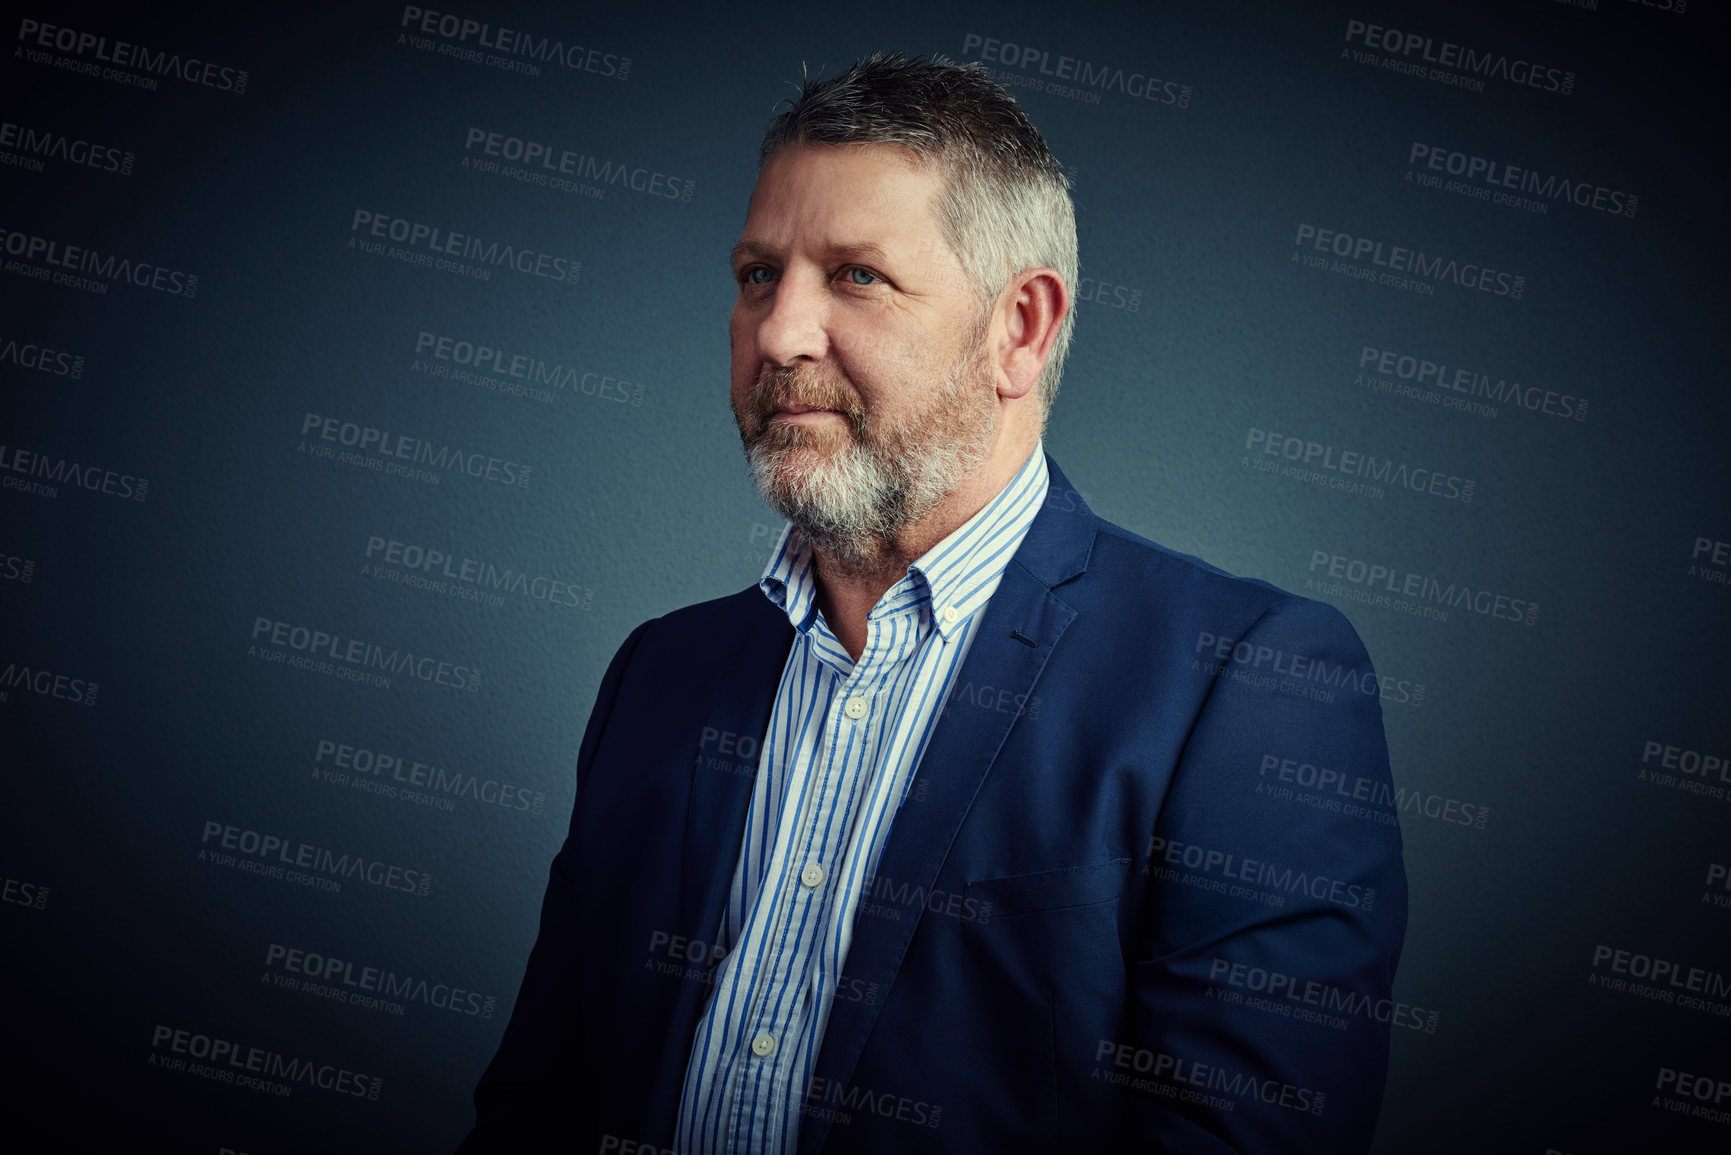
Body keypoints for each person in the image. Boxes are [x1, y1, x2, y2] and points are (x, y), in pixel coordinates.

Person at [457, 53, 1406, 1155]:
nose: (778, 334)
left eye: (855, 276)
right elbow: (537, 1111)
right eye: (759, 275)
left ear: (1021, 330)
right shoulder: (658, 678)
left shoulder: (1252, 685)